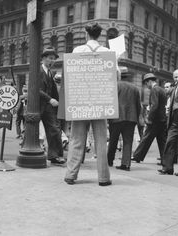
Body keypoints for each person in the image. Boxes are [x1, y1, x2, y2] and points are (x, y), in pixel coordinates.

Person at [64, 23, 112, 186]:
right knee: (100, 141)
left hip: (80, 101)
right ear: (100, 36)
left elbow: (70, 73)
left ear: (86, 35)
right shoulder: (107, 52)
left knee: (76, 139)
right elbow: (115, 76)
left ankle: (71, 175)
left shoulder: (77, 51)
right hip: (100, 102)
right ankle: (103, 178)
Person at [107, 68, 141, 170]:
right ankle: (126, 164)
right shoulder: (135, 88)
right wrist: (136, 117)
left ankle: (109, 161)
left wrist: (108, 117)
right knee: (128, 141)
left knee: (113, 140)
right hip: (131, 119)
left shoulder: (115, 86)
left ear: (120, 76)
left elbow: (111, 102)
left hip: (116, 117)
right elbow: (138, 105)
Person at [131, 73, 167, 165]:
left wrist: (149, 118)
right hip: (162, 119)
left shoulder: (154, 90)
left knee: (146, 138)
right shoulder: (161, 90)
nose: (146, 86)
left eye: (146, 83)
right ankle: (165, 160)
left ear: (149, 81)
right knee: (162, 141)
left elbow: (154, 105)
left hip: (155, 120)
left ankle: (137, 156)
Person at [159, 69, 178, 176]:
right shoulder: (173, 89)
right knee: (169, 142)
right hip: (174, 119)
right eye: (175, 77)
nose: (177, 79)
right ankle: (167, 168)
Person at [40, 47, 64, 165]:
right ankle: (29, 150)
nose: (52, 61)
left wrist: (60, 104)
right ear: (44, 58)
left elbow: (54, 91)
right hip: (38, 106)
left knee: (54, 129)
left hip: (48, 107)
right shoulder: (38, 71)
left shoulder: (50, 72)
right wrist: (50, 100)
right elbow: (36, 90)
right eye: (50, 58)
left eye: (54, 59)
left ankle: (54, 156)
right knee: (31, 131)